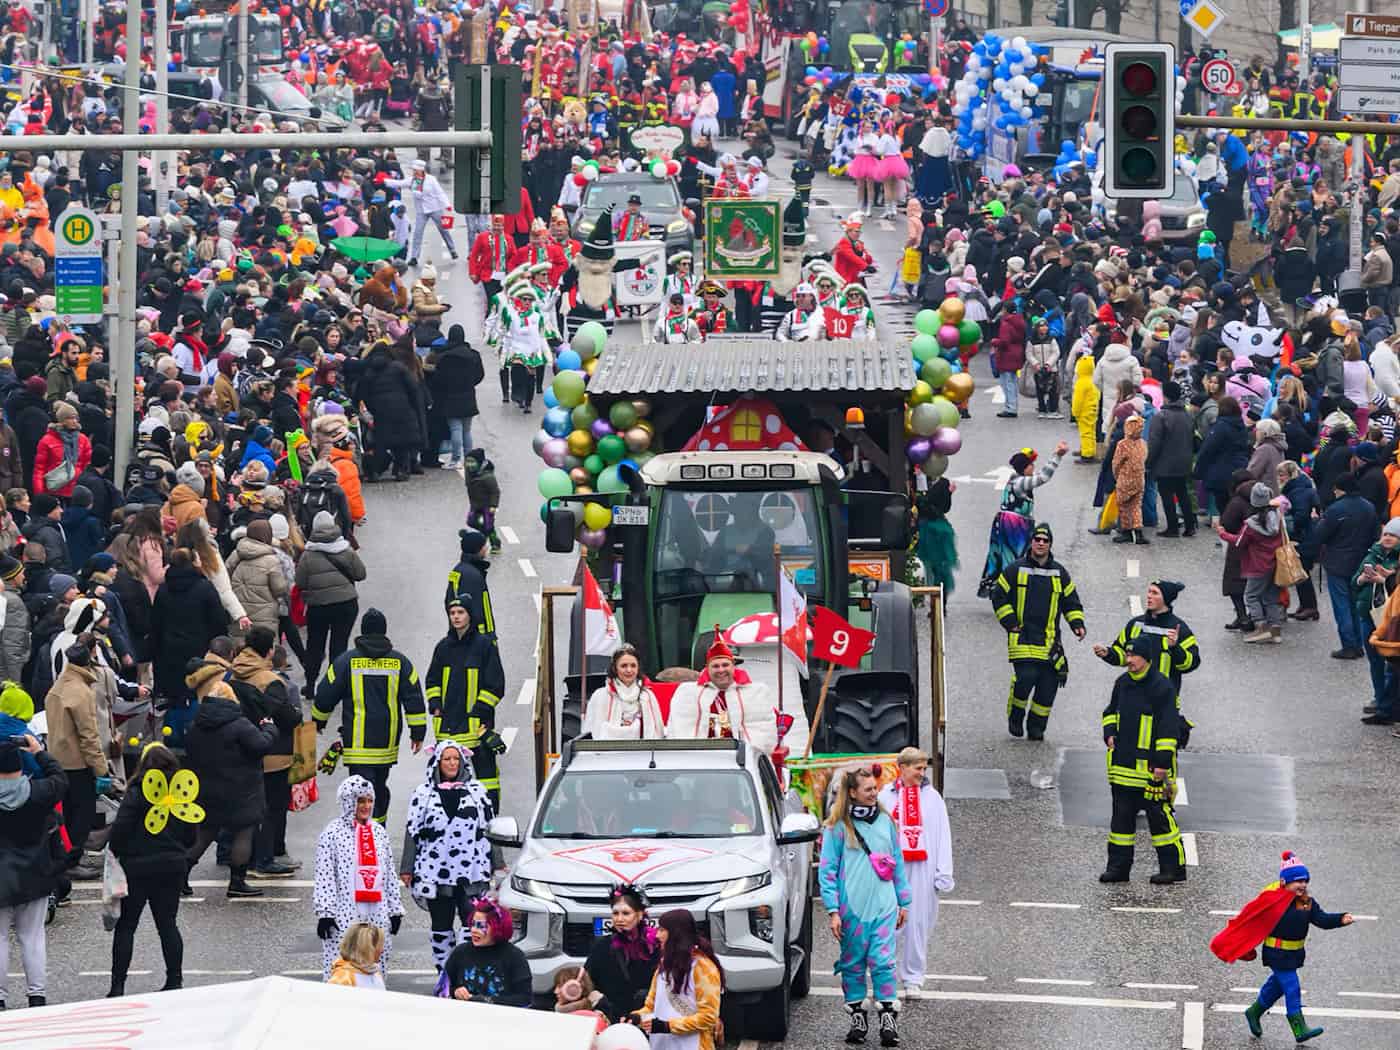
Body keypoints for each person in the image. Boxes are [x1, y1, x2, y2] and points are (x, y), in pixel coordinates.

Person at [1214, 852, 1354, 1043]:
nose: (1303, 885)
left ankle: (1253, 1012)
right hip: (1276, 953)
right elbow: (1251, 919)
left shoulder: (1304, 902)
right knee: (1292, 986)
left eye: (1305, 881)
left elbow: (1320, 919)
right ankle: (1299, 1028)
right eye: (1298, 881)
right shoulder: (1271, 900)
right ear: (1284, 882)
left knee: (1276, 987)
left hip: (1294, 954)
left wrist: (1340, 919)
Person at [819, 765, 910, 1047]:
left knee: (884, 962)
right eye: (869, 789)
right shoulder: (836, 828)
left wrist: (903, 901)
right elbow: (827, 870)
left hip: (884, 905)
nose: (875, 793)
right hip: (852, 911)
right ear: (853, 793)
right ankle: (858, 1017)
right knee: (853, 964)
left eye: (876, 788)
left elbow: (897, 862)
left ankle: (887, 1018)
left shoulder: (886, 822)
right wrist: (833, 911)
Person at [312, 608, 427, 823]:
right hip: (386, 742)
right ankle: (378, 829)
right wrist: (417, 732)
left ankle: (363, 833)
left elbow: (325, 694)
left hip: (357, 741)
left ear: (362, 631)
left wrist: (319, 721)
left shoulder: (346, 661)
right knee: (379, 786)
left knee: (360, 790)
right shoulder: (401, 662)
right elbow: (414, 698)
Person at [106, 743, 197, 997]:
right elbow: (191, 835)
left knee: (127, 926)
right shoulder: (181, 793)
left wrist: (121, 850)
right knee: (167, 924)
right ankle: (174, 980)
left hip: (137, 867)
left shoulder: (136, 792)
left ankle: (118, 985)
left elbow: (120, 830)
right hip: (171, 866)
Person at [1099, 633, 1187, 885]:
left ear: (1146, 658)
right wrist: (1109, 733)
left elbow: (1169, 729)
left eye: (1133, 655)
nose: (1129, 660)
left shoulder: (1162, 687)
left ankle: (1173, 868)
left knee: (1159, 821)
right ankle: (1118, 868)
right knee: (1121, 822)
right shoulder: (1122, 683)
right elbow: (1110, 713)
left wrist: (1161, 764)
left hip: (1151, 771)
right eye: (1127, 655)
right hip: (1123, 769)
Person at [401, 742, 494, 972]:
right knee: (441, 925)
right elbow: (412, 831)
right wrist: (407, 867)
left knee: (471, 922)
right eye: (447, 759)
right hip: (435, 871)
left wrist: (498, 864)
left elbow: (490, 828)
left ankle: (466, 971)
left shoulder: (477, 791)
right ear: (437, 763)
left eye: (456, 759)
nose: (452, 763)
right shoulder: (423, 794)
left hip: (470, 871)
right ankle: (444, 972)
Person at [991, 522, 1087, 740]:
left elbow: (1071, 602)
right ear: (1031, 542)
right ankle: (1016, 716)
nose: (1041, 544)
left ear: (1050, 544)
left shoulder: (1059, 573)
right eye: (1037, 540)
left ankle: (1036, 728)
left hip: (1050, 641)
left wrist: (1077, 624)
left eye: (1045, 541)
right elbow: (999, 596)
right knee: (1026, 678)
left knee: (1048, 685)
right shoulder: (1015, 569)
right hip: (1022, 637)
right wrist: (1010, 622)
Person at [184, 680, 279, 899]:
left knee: (206, 832)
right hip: (241, 789)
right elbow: (261, 746)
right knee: (244, 832)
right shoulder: (239, 724)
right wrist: (269, 728)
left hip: (207, 789)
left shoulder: (198, 724)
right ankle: (237, 882)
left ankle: (182, 876)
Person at [229, 627, 304, 878]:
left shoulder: (234, 673)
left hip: (240, 748)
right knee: (273, 806)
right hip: (272, 752)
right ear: (270, 650)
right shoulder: (270, 681)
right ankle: (265, 858)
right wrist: (295, 715)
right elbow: (285, 716)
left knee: (248, 805)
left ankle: (245, 855)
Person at [876, 748, 952, 998]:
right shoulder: (885, 796)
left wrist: (943, 871)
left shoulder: (933, 798)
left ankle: (913, 977)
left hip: (923, 869)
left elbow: (943, 836)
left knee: (918, 922)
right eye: (917, 768)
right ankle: (884, 974)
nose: (922, 773)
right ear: (902, 768)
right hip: (891, 868)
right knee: (887, 919)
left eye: (924, 769)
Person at [313, 776, 404, 981]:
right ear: (348, 802)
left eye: (369, 800)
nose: (366, 806)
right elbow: (325, 874)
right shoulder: (332, 834)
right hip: (346, 911)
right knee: (344, 962)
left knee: (376, 962)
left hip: (377, 911)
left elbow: (388, 872)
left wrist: (395, 909)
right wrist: (325, 913)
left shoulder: (378, 832)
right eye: (360, 801)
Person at [0, 735, 65, 1011]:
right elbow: (61, 778)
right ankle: (36, 995)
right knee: (33, 936)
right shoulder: (40, 792)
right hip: (35, 874)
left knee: (0, 938)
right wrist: (39, 752)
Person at [425, 596, 506, 807]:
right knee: (447, 778)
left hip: (477, 727)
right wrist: (435, 706)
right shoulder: (443, 647)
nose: (456, 617)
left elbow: (496, 685)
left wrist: (477, 711)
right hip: (448, 727)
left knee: (486, 776)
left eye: (460, 613)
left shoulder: (484, 646)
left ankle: (489, 818)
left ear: (470, 615)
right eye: (452, 613)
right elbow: (432, 680)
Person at [667, 630, 791, 756]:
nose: (721, 670)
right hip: (701, 759)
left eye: (725, 665)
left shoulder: (756, 692)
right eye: (715, 666)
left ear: (733, 666)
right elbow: (679, 731)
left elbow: (764, 732)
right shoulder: (687, 693)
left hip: (742, 760)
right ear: (707, 669)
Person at [46, 639, 108, 872]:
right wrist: (101, 770)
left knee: (67, 813)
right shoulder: (81, 692)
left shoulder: (58, 686)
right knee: (82, 815)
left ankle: (67, 856)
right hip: (78, 763)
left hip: (58, 759)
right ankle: (73, 860)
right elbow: (88, 736)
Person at [1301, 473, 1378, 660]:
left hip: (1337, 563)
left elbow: (1320, 536)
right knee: (1356, 605)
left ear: (1339, 488)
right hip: (1360, 561)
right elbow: (1375, 534)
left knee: (1341, 605)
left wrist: (1314, 522)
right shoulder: (1369, 507)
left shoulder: (1335, 509)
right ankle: (1360, 643)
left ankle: (1349, 645)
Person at [978, 442, 1068, 597]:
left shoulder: (1014, 479)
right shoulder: (1021, 482)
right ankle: (1010, 592)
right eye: (1031, 465)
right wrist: (1057, 456)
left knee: (1002, 555)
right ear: (1024, 468)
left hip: (1005, 523)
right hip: (1014, 526)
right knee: (1014, 558)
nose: (1033, 468)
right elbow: (1043, 477)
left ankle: (1001, 588)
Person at [296, 509, 367, 697]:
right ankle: (336, 686)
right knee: (339, 645)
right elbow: (361, 574)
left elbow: (301, 582)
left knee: (315, 645)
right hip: (346, 604)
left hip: (318, 607)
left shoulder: (308, 555)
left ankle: (311, 685)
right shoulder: (345, 549)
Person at [635, 909, 726, 1049]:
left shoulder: (703, 967)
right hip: (661, 1045)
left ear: (676, 934)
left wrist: (668, 1026)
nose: (657, 935)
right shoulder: (664, 964)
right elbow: (650, 1006)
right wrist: (636, 1017)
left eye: (662, 930)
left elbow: (708, 1017)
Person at [1220, 483, 1288, 645]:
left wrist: (1223, 534)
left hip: (1258, 565)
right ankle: (1275, 631)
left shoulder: (1251, 523)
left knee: (1251, 596)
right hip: (1277, 564)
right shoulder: (1277, 517)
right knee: (1271, 597)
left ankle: (1261, 628)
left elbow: (1239, 542)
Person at [584, 883, 661, 1023]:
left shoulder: (655, 946)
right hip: (612, 1019)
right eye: (615, 913)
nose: (619, 919)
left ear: (639, 915)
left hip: (647, 1019)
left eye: (626, 913)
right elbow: (588, 982)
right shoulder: (601, 946)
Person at [442, 896, 532, 1007]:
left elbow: (524, 999)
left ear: (497, 928)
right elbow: (442, 988)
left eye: (481, 926)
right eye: (473, 924)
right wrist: (455, 991)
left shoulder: (514, 957)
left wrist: (488, 1001)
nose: (474, 930)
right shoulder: (460, 952)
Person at [1353, 518, 1400, 725]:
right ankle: (1381, 700)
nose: (1388, 538)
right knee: (1375, 662)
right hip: (1368, 613)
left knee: (1392, 664)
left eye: (1394, 535)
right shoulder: (1372, 554)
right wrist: (1363, 579)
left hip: (1390, 619)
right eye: (1386, 534)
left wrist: (1385, 580)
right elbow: (1354, 582)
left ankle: (1386, 708)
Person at [583, 643, 665, 741]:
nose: (629, 670)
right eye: (624, 666)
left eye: (633, 666)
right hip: (608, 754)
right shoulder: (601, 695)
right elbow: (592, 732)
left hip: (642, 753)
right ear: (615, 668)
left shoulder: (648, 696)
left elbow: (657, 733)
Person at [1148, 381, 1197, 538]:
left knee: (1167, 495)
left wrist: (1148, 463)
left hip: (1165, 463)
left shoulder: (1161, 416)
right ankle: (1190, 525)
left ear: (1166, 396)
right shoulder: (1187, 414)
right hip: (1184, 461)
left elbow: (1154, 443)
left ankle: (1173, 527)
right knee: (1182, 493)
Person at [389, 158, 459, 267]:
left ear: (421, 170)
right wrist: (385, 181)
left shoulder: (431, 180)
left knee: (443, 229)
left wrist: (447, 205)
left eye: (416, 170)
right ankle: (414, 257)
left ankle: (452, 249)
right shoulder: (412, 180)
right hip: (421, 211)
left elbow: (440, 193)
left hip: (435, 208)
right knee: (417, 233)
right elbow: (400, 183)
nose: (414, 172)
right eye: (413, 170)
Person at [444, 528, 496, 641]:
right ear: (477, 549)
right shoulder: (472, 576)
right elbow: (477, 608)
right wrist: (489, 637)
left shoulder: (459, 570)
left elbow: (448, 601)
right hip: (476, 639)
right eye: (484, 546)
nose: (486, 548)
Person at [1111, 415, 1149, 545]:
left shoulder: (1123, 444)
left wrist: (1116, 476)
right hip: (1139, 479)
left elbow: (1116, 463)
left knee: (1124, 506)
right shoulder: (1143, 443)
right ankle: (1138, 532)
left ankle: (1126, 531)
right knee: (1136, 506)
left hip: (1125, 479)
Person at [327, 922, 387, 990]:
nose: (382, 950)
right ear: (366, 949)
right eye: (379, 946)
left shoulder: (374, 971)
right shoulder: (342, 979)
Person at [1070, 355, 1100, 462]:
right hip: (1092, 410)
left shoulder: (1081, 383)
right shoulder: (1093, 380)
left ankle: (1086, 454)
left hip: (1084, 411)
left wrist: (1075, 412)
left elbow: (1077, 400)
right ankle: (1090, 450)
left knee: (1085, 433)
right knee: (1091, 432)